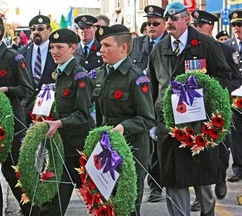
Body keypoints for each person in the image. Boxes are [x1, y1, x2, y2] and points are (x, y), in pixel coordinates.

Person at [147, 2, 231, 216]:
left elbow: (224, 76)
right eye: (167, 19)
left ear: (187, 19)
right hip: (170, 125)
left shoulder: (205, 44)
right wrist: (153, 121)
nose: (169, 23)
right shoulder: (159, 48)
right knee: (174, 179)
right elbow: (154, 87)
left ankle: (208, 212)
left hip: (199, 124)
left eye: (174, 19)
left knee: (202, 179)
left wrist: (202, 92)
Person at [0, 15, 39, 216]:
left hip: (12, 122)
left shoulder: (13, 57)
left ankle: (31, 211)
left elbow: (27, 88)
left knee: (12, 171)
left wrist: (6, 89)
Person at [94, 24, 156, 215]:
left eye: (106, 45)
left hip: (132, 149)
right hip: (106, 147)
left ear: (123, 48)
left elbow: (147, 118)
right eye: (101, 45)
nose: (101, 50)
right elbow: (99, 114)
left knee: (127, 206)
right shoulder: (102, 73)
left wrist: (123, 127)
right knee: (106, 202)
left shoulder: (136, 78)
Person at [190, 9, 240, 210]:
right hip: (195, 109)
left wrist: (217, 94)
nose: (196, 30)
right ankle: (200, 195)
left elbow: (235, 78)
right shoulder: (191, 50)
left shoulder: (225, 50)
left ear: (210, 27)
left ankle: (220, 178)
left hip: (219, 108)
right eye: (194, 26)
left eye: (199, 26)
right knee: (195, 148)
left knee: (219, 149)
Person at [41, 28, 93, 215]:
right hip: (61, 146)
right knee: (52, 201)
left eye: (59, 47)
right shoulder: (60, 72)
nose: (54, 51)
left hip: (78, 147)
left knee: (96, 199)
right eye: (52, 47)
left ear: (73, 48)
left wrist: (60, 123)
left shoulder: (79, 76)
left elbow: (83, 115)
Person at [130, 5, 167, 203]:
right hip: (139, 103)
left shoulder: (169, 44)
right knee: (142, 146)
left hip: (160, 102)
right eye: (148, 23)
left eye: (155, 23)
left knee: (157, 147)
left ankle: (156, 186)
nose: (150, 27)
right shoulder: (136, 44)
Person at [19, 15, 57, 126]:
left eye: (40, 29)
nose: (36, 32)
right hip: (26, 110)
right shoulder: (22, 52)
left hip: (50, 110)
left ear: (49, 30)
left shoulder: (56, 51)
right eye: (33, 29)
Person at [224, 10, 242, 182]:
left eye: (240, 24)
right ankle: (237, 167)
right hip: (236, 97)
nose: (237, 28)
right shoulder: (228, 46)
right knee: (235, 133)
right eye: (234, 25)